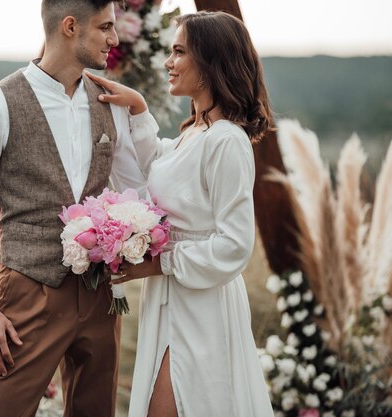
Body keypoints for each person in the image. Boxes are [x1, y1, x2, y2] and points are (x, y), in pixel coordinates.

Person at [0, 1, 147, 416]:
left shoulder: (111, 101)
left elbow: (137, 192)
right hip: (27, 294)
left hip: (100, 296)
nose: (114, 39)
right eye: (105, 27)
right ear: (70, 26)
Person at [85, 11, 275, 417]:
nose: (168, 63)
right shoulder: (195, 134)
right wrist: (137, 108)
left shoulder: (226, 142)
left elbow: (234, 246)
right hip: (170, 298)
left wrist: (160, 263)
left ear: (210, 62)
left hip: (203, 305)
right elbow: (156, 170)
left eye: (178, 52)